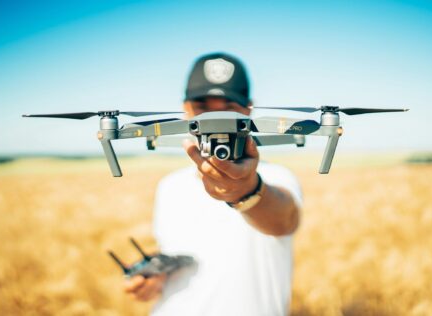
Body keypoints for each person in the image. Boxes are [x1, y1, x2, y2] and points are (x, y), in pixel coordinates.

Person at [124, 52, 303, 316]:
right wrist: (156, 279)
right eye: (203, 108)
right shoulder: (169, 186)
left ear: (248, 109)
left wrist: (248, 191)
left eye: (227, 107)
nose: (215, 119)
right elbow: (179, 251)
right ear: (186, 109)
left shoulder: (278, 178)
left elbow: (282, 220)